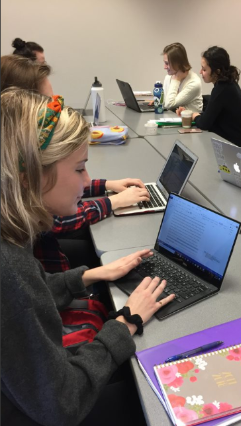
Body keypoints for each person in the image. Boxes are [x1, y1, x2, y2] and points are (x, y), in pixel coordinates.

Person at [0, 88, 175, 426]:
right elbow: (62, 404)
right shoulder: (9, 266)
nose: (85, 181)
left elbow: (30, 293)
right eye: (79, 168)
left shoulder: (12, 235)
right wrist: (126, 323)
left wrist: (90, 276)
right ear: (30, 175)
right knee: (152, 399)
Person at [1, 54, 150, 273]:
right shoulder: (12, 262)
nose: (55, 111)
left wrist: (106, 185)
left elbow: (56, 181)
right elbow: (58, 218)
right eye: (47, 105)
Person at [177, 46, 241, 147]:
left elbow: (204, 123)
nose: (200, 72)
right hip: (234, 143)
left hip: (236, 149)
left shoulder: (222, 89)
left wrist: (194, 116)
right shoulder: (228, 84)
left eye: (204, 69)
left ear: (217, 71)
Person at [161, 42, 203, 112]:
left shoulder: (194, 82)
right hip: (172, 119)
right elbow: (165, 104)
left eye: (167, 63)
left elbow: (169, 105)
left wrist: (176, 80)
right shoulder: (168, 77)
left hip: (188, 122)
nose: (164, 67)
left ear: (178, 63)